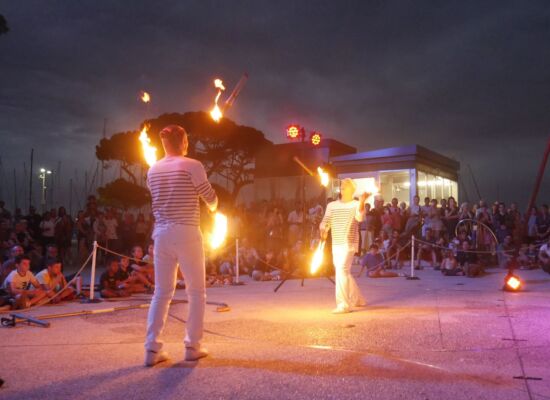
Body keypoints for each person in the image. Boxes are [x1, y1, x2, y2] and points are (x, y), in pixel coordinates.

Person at [144, 124, 218, 367]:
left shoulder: (152, 170)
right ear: (184, 142)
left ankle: (152, 349)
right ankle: (192, 346)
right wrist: (215, 205)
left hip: (161, 234)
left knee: (161, 293)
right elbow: (209, 196)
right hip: (187, 231)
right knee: (196, 292)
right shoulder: (192, 165)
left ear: (164, 144)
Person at [320, 178, 368, 314]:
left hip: (349, 243)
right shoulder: (332, 205)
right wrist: (323, 229)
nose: (342, 188)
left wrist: (363, 201)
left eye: (345, 186)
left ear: (352, 190)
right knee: (344, 272)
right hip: (336, 243)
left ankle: (343, 305)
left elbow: (360, 218)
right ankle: (358, 299)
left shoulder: (356, 204)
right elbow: (325, 221)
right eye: (341, 186)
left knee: (341, 269)